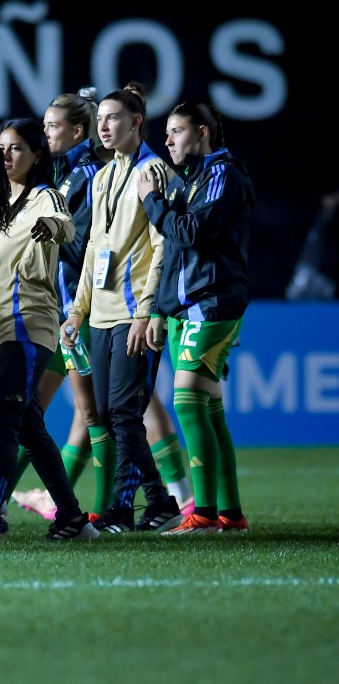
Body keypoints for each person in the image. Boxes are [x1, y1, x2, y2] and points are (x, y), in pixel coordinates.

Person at [61, 82, 182, 534]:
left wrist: (147, 311)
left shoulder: (156, 172)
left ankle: (150, 502)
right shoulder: (103, 175)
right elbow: (95, 245)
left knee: (123, 412)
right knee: (111, 415)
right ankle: (144, 503)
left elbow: (163, 247)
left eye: (113, 118)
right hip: (100, 312)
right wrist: (78, 310)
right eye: (100, 119)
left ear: (135, 122)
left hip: (134, 314)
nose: (103, 126)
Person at [139, 101, 253, 534]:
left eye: (177, 131)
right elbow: (176, 251)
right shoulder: (193, 179)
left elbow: (190, 233)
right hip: (184, 309)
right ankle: (231, 513)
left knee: (186, 404)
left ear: (202, 133)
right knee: (210, 410)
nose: (167, 141)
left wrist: (151, 200)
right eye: (167, 132)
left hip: (212, 303)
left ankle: (202, 514)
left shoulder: (223, 173)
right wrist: (158, 309)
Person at [0, 118, 97, 541]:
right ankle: (71, 518)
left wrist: (53, 227)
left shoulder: (46, 197)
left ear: (35, 155)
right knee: (29, 426)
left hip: (28, 324)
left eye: (15, 148)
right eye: (2, 148)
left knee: (2, 422)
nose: (7, 155)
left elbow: (65, 226)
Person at [12, 89, 109, 519]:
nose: (46, 132)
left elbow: (83, 245)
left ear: (77, 130)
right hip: (59, 310)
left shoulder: (85, 175)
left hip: (78, 309)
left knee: (93, 413)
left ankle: (115, 509)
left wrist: (46, 233)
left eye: (53, 126)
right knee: (27, 410)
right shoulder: (61, 174)